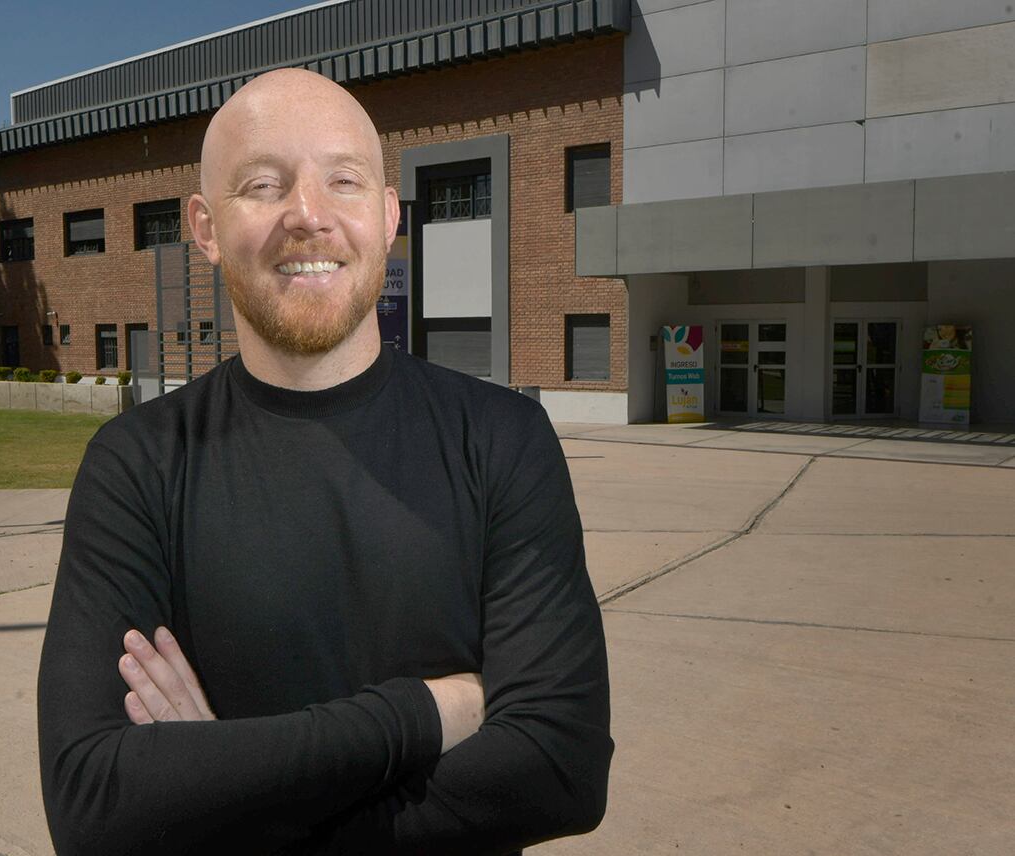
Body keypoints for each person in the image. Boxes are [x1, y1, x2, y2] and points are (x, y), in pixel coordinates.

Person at [37, 68, 612, 855]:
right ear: (204, 228)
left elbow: (559, 768)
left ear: (386, 214)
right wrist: (424, 713)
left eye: (343, 180)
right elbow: (95, 806)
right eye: (264, 184)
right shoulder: (138, 465)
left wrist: (226, 798)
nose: (308, 216)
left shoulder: (503, 439)